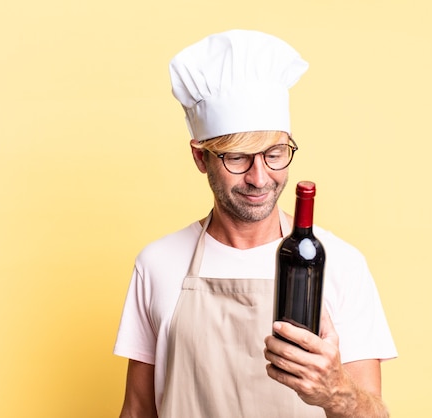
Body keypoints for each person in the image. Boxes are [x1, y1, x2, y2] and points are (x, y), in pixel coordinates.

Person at [114, 29, 397, 418]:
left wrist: (337, 393)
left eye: (275, 154)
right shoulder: (157, 264)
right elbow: (138, 409)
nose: (260, 178)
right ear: (201, 158)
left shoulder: (342, 264)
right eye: (238, 158)